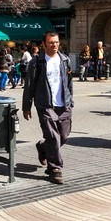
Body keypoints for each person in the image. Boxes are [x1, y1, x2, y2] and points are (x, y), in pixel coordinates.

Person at [23, 31, 73, 185]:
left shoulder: (65, 60)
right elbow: (29, 85)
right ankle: (55, 169)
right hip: (45, 104)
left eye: (57, 42)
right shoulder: (37, 62)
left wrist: (71, 101)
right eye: (51, 42)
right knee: (53, 137)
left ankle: (43, 148)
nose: (55, 45)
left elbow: (69, 83)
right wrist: (27, 106)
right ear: (44, 44)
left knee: (63, 136)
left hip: (64, 105)